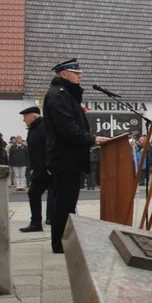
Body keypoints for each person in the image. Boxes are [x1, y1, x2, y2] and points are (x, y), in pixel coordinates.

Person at [43, 59, 110, 253]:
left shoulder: (66, 95)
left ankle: (66, 239)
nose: (80, 76)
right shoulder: (58, 95)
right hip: (65, 158)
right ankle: (60, 243)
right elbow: (66, 128)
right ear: (63, 74)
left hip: (69, 158)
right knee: (63, 203)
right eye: (75, 73)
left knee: (67, 202)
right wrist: (92, 139)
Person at [19, 106, 50, 233]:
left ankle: (41, 222)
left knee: (57, 196)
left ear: (33, 116)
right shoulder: (33, 129)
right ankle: (36, 223)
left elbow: (49, 147)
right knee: (33, 194)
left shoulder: (43, 127)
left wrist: (49, 165)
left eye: (25, 117)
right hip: (39, 170)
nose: (24, 120)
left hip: (47, 170)